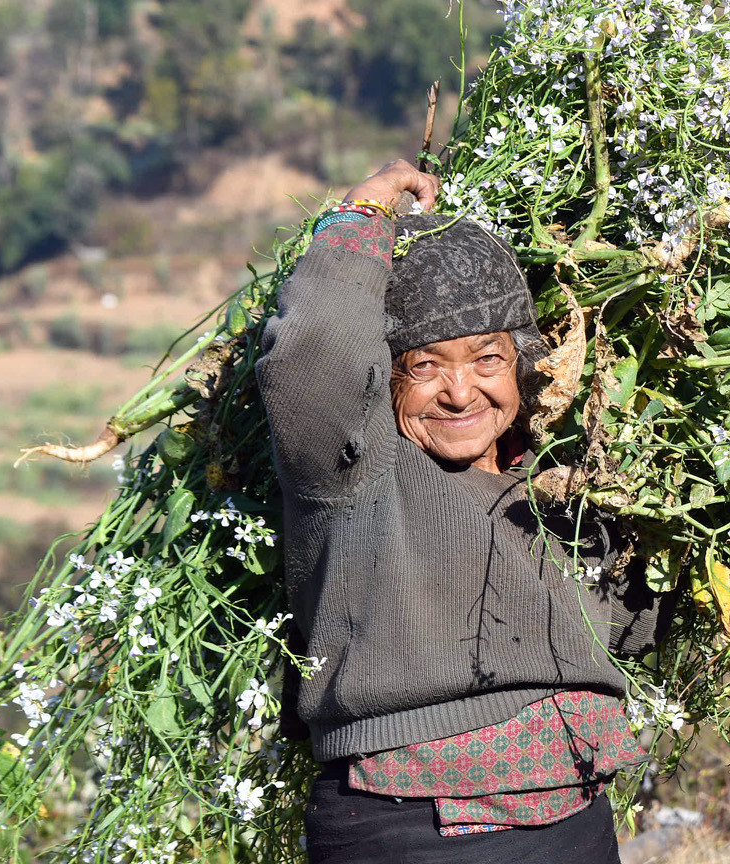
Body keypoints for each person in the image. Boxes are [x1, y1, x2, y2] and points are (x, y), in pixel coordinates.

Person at [255, 161, 667, 864]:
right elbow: (312, 357)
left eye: (486, 359)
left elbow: (631, 627)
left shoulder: (560, 487)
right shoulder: (358, 470)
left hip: (573, 816)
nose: (459, 392)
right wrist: (362, 218)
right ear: (383, 379)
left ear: (523, 366)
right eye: (424, 366)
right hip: (410, 827)